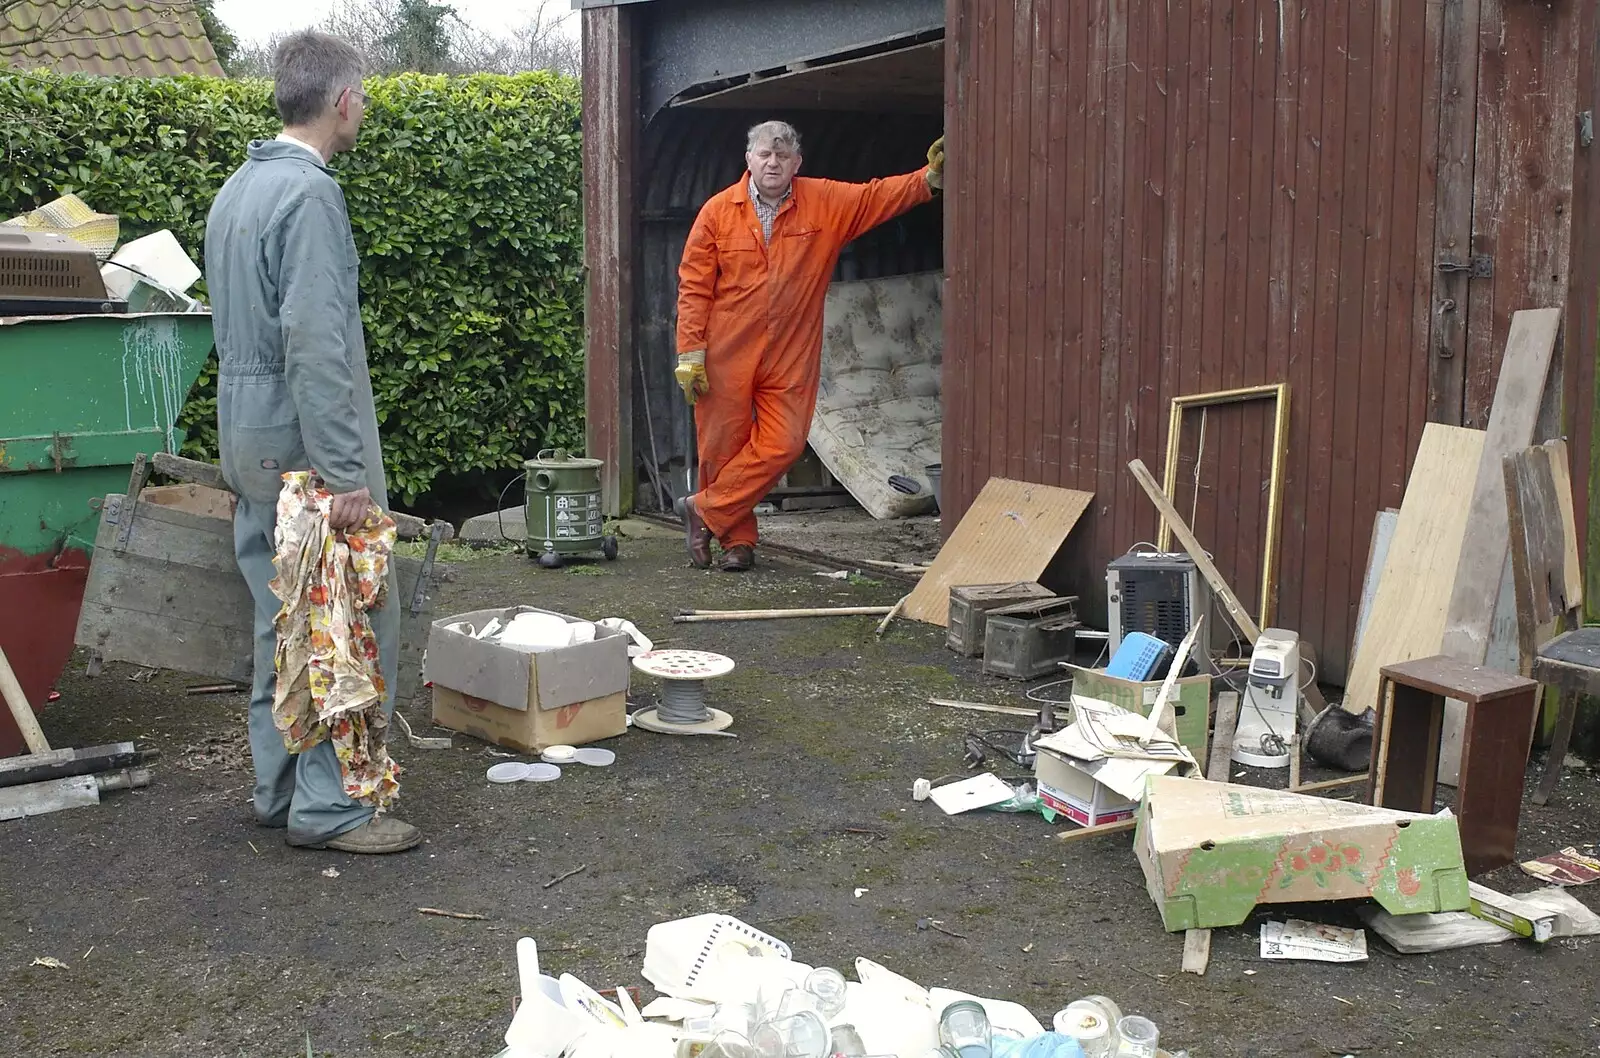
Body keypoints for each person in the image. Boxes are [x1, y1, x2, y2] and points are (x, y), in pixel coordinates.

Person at [203, 31, 421, 855]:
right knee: (349, 619)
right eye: (360, 94)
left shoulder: (239, 188)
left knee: (280, 618)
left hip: (247, 432)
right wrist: (345, 473)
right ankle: (330, 808)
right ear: (340, 101)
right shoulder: (310, 195)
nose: (361, 107)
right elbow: (316, 346)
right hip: (304, 442)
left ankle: (280, 788)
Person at [674, 120, 945, 571]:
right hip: (726, 351)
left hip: (790, 351)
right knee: (722, 447)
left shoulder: (824, 202)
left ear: (797, 163)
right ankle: (736, 541)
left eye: (782, 156)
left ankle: (704, 509)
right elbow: (694, 285)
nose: (773, 162)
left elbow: (875, 196)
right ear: (749, 160)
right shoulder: (718, 212)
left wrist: (927, 180)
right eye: (764, 154)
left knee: (784, 443)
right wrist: (691, 351)